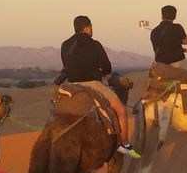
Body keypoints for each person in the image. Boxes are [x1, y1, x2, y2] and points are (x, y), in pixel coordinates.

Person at [57, 15, 138, 157]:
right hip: (93, 85)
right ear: (87, 28)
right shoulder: (94, 44)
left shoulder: (65, 45)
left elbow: (66, 65)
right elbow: (107, 67)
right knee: (121, 110)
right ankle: (124, 144)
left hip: (71, 86)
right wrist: (104, 72)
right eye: (91, 27)